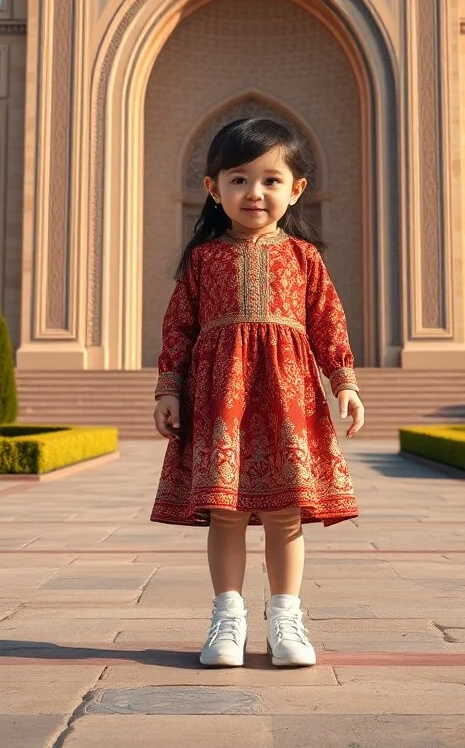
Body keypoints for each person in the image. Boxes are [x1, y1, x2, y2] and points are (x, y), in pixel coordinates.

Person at [150, 117, 365, 668]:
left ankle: (285, 618)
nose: (254, 193)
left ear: (296, 190)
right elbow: (178, 327)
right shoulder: (203, 260)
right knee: (224, 511)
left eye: (271, 180)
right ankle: (228, 618)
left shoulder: (304, 258)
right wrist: (168, 389)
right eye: (239, 179)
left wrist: (343, 381)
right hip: (221, 397)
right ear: (213, 188)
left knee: (284, 512)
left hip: (287, 398)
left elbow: (328, 323)